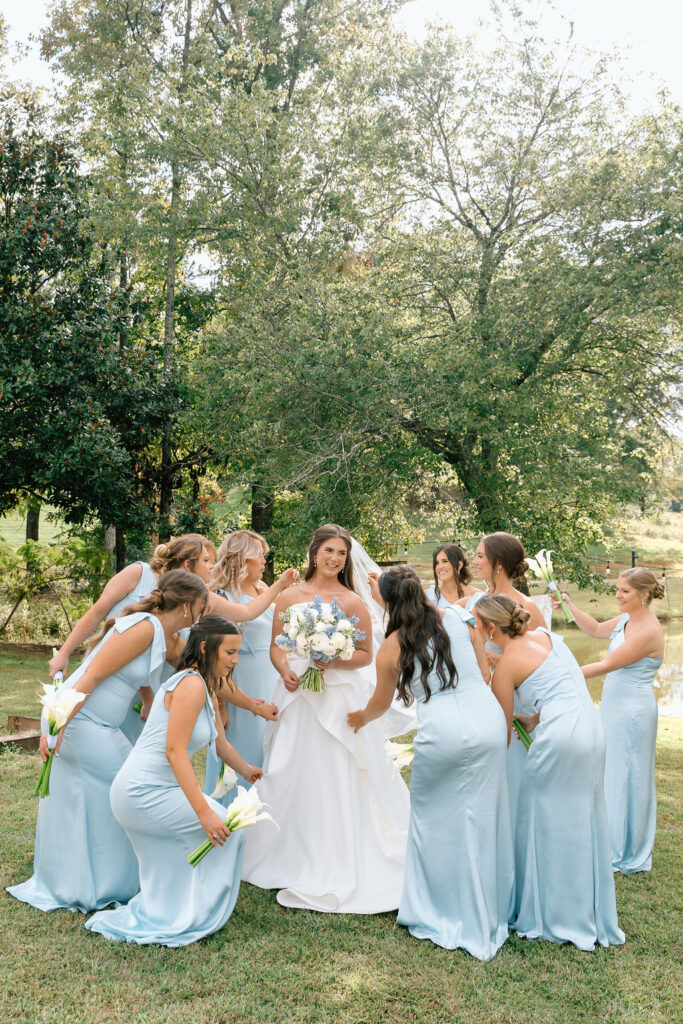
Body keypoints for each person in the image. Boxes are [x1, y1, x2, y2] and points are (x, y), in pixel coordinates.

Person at [7, 570, 208, 913]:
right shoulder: (145, 627)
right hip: (78, 720)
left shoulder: (164, 635)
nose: (204, 613)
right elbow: (91, 676)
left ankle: (89, 881)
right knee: (132, 790)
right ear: (189, 605)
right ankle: (118, 883)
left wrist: (248, 703)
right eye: (204, 605)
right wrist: (56, 727)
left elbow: (196, 669)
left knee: (95, 801)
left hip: (96, 724)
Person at [348, 566, 514, 960]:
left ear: (387, 602)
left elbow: (380, 704)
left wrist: (359, 718)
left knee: (434, 821)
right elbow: (484, 671)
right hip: (487, 721)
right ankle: (490, 903)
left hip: (444, 732)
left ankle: (439, 907)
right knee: (483, 816)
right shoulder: (458, 617)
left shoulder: (391, 647)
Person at [242, 524, 410, 913]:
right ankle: (283, 849)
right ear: (314, 552)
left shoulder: (352, 601)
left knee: (335, 768)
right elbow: (276, 646)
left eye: (341, 554)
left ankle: (336, 849)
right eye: (329, 551)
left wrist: (331, 659)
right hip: (295, 693)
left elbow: (365, 655)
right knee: (287, 765)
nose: (335, 559)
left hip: (336, 696)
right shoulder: (288, 596)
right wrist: (285, 669)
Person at [86, 615, 264, 947]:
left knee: (223, 830)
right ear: (205, 648)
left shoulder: (206, 685)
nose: (236, 661)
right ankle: (187, 911)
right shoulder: (190, 684)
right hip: (142, 792)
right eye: (230, 652)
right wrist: (204, 813)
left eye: (237, 653)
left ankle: (179, 905)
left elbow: (221, 745)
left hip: (159, 789)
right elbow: (174, 752)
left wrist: (248, 769)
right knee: (224, 829)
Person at [474, 595, 624, 950]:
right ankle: (582, 910)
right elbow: (567, 688)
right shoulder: (547, 636)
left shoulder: (506, 667)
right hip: (590, 730)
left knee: (541, 821)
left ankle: (551, 914)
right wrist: (535, 718)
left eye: (476, 626)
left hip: (559, 739)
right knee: (580, 818)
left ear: (491, 629)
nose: (474, 632)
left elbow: (500, 733)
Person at [558, 568, 665, 873]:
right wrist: (568, 604)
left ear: (644, 595)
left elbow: (606, 665)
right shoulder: (627, 620)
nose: (618, 595)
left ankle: (623, 848)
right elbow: (594, 629)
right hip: (614, 706)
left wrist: (558, 675)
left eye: (624, 591)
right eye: (617, 589)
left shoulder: (648, 631)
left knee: (627, 774)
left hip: (633, 713)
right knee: (610, 771)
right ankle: (607, 838)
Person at [461, 532, 547, 832]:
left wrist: (489, 657)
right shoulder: (474, 600)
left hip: (517, 700)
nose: (474, 561)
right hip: (478, 696)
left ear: (498, 564)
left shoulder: (526, 606)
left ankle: (519, 833)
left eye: (480, 556)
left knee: (514, 768)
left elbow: (543, 659)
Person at [204, 531, 280, 801]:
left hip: (272, 679)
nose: (264, 561)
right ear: (239, 560)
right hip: (242, 685)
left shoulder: (263, 590)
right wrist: (222, 706)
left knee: (272, 753)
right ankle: (234, 815)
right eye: (259, 555)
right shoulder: (222, 597)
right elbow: (215, 659)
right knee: (244, 750)